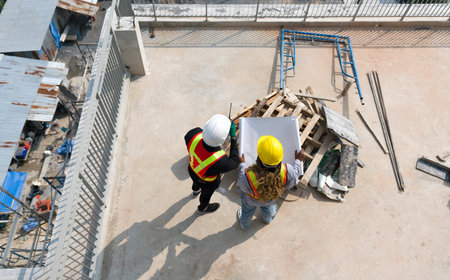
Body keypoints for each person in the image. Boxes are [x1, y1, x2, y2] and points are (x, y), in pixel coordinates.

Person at [236, 135, 305, 230]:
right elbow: (294, 178)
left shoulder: (248, 176)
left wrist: (242, 165)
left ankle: (245, 225)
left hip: (251, 201)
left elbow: (242, 186)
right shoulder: (287, 170)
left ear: (259, 158)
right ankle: (267, 219)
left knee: (247, 212)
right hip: (270, 199)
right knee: (268, 208)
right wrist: (298, 160)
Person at [184, 114, 239, 214]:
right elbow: (234, 162)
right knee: (206, 195)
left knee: (195, 182)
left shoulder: (193, 134)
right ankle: (203, 208)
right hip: (207, 183)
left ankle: (195, 191)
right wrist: (233, 137)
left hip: (192, 169)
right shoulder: (221, 161)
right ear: (222, 140)